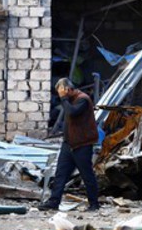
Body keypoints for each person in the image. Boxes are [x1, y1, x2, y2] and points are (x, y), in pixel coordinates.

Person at [38, 78, 100, 211]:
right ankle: (54, 202)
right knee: (61, 173)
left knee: (86, 174)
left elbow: (72, 112)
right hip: (69, 144)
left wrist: (64, 98)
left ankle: (94, 204)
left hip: (82, 144)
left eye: (62, 91)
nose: (61, 95)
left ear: (68, 89)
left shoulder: (83, 99)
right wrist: (65, 99)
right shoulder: (70, 100)